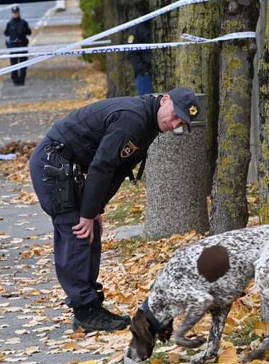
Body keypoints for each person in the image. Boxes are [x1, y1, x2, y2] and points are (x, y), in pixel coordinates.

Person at [29, 87, 201, 332]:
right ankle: (84, 310)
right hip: (54, 162)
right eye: (174, 116)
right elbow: (102, 165)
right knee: (77, 232)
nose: (174, 124)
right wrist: (87, 213)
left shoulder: (150, 121)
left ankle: (90, 305)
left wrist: (95, 209)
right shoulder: (134, 118)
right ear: (165, 100)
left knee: (90, 233)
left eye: (181, 122)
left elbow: (119, 169)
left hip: (68, 165)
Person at [3, 5, 32, 86]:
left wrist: (24, 30)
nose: (15, 14)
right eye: (14, 13)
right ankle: (15, 81)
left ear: (19, 13)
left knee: (23, 65)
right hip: (13, 47)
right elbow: (6, 33)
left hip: (22, 46)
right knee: (14, 65)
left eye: (17, 13)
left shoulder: (24, 22)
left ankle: (22, 81)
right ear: (12, 14)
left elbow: (29, 32)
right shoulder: (10, 23)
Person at [127, 20, 153, 95]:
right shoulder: (136, 28)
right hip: (144, 75)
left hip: (152, 72)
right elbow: (131, 53)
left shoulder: (149, 25)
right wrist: (143, 70)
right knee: (145, 103)